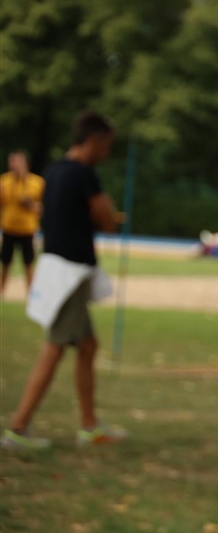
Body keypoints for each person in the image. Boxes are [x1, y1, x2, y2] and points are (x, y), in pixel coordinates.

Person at [1, 111, 127, 450]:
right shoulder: (84, 174)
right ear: (94, 141)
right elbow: (108, 220)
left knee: (87, 346)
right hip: (69, 274)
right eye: (106, 146)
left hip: (56, 266)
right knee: (54, 347)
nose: (107, 153)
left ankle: (89, 425)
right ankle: (18, 428)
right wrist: (108, 210)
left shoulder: (54, 171)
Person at [0, 150, 45, 295]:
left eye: (17, 162)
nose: (14, 165)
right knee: (5, 262)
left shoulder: (37, 183)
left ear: (25, 164)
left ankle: (31, 293)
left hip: (27, 230)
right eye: (12, 162)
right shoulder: (4, 182)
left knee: (28, 262)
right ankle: (2, 292)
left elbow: (44, 208)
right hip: (9, 228)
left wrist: (30, 205)